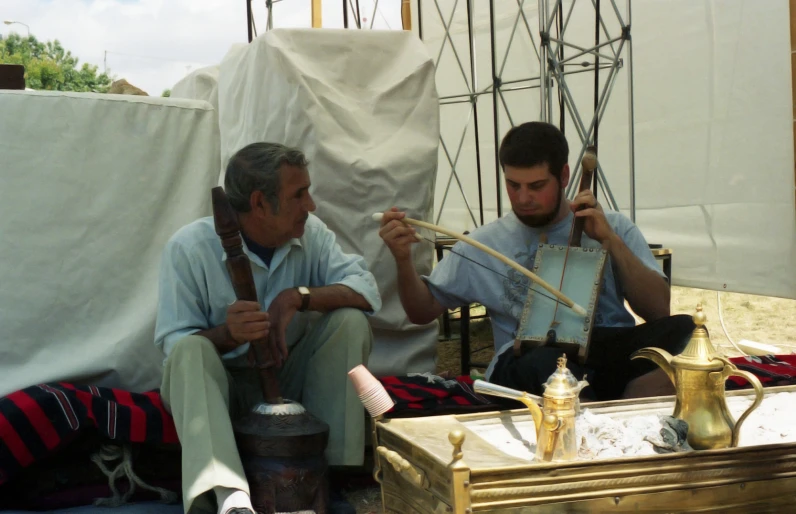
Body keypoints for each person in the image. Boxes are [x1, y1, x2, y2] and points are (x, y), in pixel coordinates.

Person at [378, 121, 694, 402]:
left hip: (603, 350)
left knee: (684, 330)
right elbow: (421, 311)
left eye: (537, 186)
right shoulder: (485, 242)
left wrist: (611, 242)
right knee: (548, 363)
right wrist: (403, 260)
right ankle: (597, 420)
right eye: (513, 185)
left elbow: (658, 312)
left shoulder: (612, 227)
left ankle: (621, 409)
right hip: (527, 359)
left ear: (565, 176)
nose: (524, 198)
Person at [154, 142, 381, 514]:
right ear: (260, 203)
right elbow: (173, 349)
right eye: (299, 194)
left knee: (350, 321)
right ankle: (228, 495)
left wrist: (297, 296)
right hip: (221, 394)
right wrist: (227, 335)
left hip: (286, 380)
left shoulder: (312, 233)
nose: (311, 205)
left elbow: (366, 291)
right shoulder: (189, 248)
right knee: (190, 350)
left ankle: (332, 470)